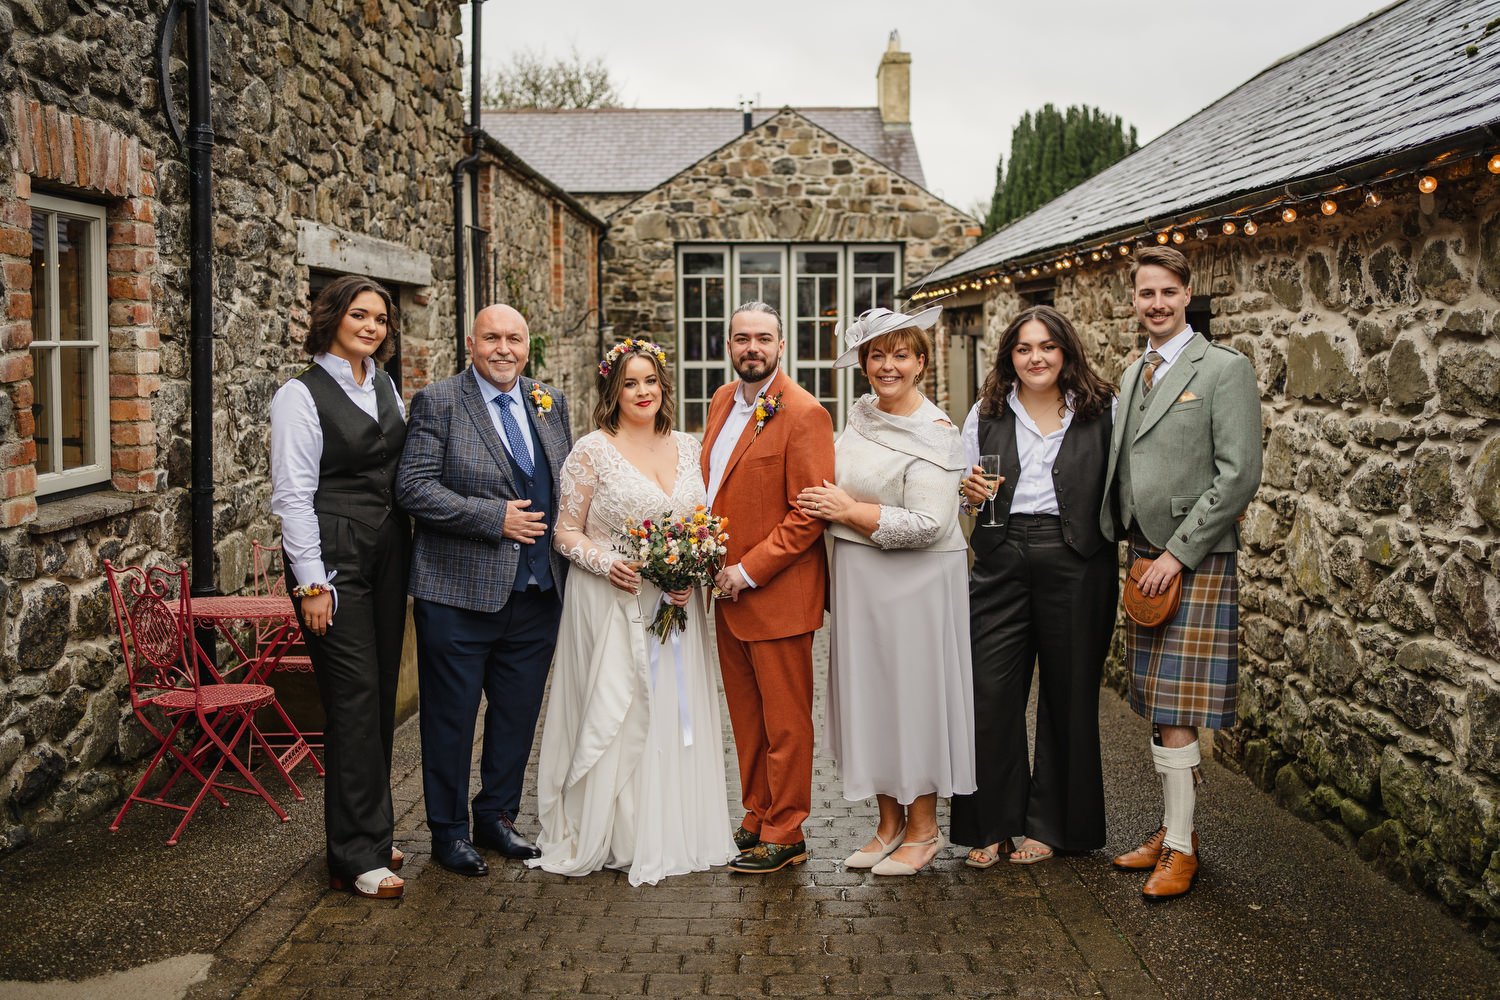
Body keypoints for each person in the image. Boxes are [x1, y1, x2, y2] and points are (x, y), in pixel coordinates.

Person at [527, 339, 736, 885]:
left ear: (663, 386)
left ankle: (674, 826)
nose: (642, 392)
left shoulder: (690, 448)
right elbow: (564, 531)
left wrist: (689, 573)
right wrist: (605, 562)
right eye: (629, 383)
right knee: (618, 709)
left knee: (671, 709)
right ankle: (617, 829)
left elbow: (700, 528)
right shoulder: (592, 450)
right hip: (610, 601)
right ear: (612, 390)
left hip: (674, 606)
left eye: (650, 381)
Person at [1100, 246, 1262, 899]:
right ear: (1134, 300)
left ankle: (1179, 849)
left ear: (1187, 294)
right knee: (1160, 708)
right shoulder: (1133, 369)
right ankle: (1176, 831)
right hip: (1141, 554)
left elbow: (1238, 475)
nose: (1157, 304)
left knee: (1175, 709)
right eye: (1146, 294)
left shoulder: (1224, 369)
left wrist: (1177, 553)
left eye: (1168, 292)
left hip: (1188, 560)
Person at [395, 304, 572, 879]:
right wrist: (492, 517)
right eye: (491, 337)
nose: (504, 348)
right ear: (471, 343)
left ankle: (496, 816)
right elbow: (414, 489)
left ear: (528, 345)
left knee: (517, 717)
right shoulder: (440, 402)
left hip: (537, 594)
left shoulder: (550, 403)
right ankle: (447, 831)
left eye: (514, 338)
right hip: (458, 594)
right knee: (451, 718)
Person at [798, 305, 976, 877]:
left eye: (901, 354)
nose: (887, 365)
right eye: (877, 354)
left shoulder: (937, 432)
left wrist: (847, 510)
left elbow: (929, 523)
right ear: (863, 363)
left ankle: (924, 829)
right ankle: (888, 824)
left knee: (911, 701)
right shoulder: (860, 418)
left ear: (922, 362)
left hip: (914, 584)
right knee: (872, 699)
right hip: (860, 580)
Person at [948, 305, 1118, 871]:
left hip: (1079, 561)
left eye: (1047, 347)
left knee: (1069, 697)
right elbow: (962, 491)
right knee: (990, 694)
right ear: (1010, 357)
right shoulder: (986, 412)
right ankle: (990, 822)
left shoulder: (1102, 410)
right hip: (1001, 557)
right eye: (1024, 349)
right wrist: (969, 492)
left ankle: (1054, 825)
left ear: (1065, 351)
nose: (1036, 358)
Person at [270, 275, 410, 899]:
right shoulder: (299, 397)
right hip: (335, 559)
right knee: (351, 699)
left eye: (381, 318)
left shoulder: (381, 383)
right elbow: (293, 498)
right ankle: (353, 855)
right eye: (361, 315)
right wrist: (312, 584)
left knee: (378, 695)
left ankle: (372, 834)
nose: (373, 327)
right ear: (332, 318)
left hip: (388, 553)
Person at [703, 301, 835, 874]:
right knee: (748, 721)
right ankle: (757, 813)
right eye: (740, 338)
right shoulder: (719, 403)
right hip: (724, 594)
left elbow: (808, 516)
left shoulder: (805, 414)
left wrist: (748, 570)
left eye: (762, 338)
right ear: (728, 346)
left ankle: (788, 830)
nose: (751, 347)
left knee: (786, 724)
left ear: (781, 346)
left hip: (775, 594)